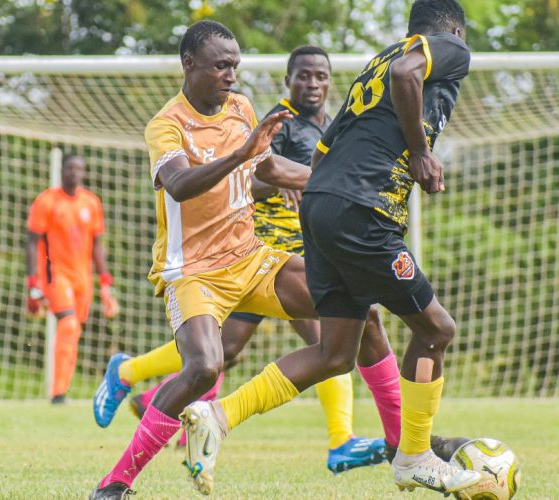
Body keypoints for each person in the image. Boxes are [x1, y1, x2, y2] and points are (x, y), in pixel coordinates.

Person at [180, 0, 483, 496]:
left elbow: (330, 138)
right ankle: (414, 456)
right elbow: (412, 71)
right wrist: (422, 155)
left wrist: (325, 197)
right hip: (362, 213)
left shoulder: (378, 61)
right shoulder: (439, 50)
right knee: (435, 329)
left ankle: (218, 414)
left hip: (320, 207)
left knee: (336, 352)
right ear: (452, 29)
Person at [88, 20, 379, 499]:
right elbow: (180, 185)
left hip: (251, 258)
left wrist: (335, 181)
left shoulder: (241, 108)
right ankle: (115, 483)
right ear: (190, 64)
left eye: (235, 66)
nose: (231, 75)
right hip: (194, 270)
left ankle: (401, 447)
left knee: (354, 308)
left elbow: (268, 167)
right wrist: (241, 152)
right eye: (221, 65)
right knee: (205, 365)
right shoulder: (167, 125)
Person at [26, 154, 120, 404]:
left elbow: (97, 246)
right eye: (70, 168)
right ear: (62, 170)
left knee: (74, 330)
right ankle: (57, 393)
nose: (75, 172)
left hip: (83, 279)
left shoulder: (91, 202)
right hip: (55, 276)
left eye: (79, 168)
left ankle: (62, 391)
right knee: (67, 325)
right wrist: (33, 284)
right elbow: (32, 242)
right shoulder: (47, 201)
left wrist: (105, 281)